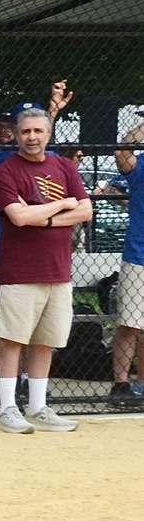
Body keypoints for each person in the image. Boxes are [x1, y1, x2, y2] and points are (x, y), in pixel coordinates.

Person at [0, 107, 91, 433]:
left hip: (58, 271)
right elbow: (18, 217)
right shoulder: (7, 171)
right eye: (26, 131)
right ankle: (7, 408)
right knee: (12, 340)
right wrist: (62, 206)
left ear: (48, 134)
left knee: (44, 341)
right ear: (17, 134)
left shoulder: (63, 166)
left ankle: (37, 407)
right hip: (21, 271)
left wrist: (41, 217)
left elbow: (86, 210)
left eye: (38, 131)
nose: (32, 137)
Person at [110, 117, 144, 409]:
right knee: (129, 324)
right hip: (139, 255)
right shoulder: (141, 165)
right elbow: (122, 151)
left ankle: (142, 384)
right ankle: (121, 385)